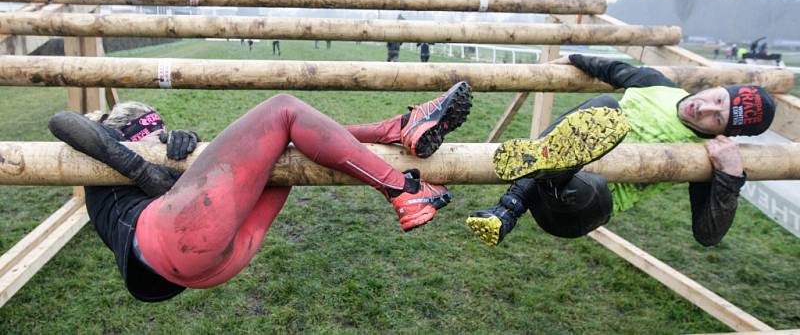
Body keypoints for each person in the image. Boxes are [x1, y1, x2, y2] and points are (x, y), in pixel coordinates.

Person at [47, 81, 473, 302]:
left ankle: (395, 129)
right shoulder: (102, 147)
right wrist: (141, 167)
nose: (156, 141)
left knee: (280, 150)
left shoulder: (137, 181)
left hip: (206, 262)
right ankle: (403, 189)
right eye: (150, 135)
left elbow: (213, 183)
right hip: (173, 241)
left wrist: (184, 146)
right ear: (122, 133)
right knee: (282, 109)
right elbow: (62, 121)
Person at [466, 54, 776, 247]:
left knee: (589, 181)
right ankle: (507, 210)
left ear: (723, 132)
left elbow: (708, 235)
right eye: (718, 98)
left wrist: (729, 178)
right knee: (606, 106)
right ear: (720, 88)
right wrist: (566, 62)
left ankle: (528, 189)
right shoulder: (658, 86)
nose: (705, 107)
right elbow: (607, 67)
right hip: (544, 188)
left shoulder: (705, 152)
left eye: (717, 117)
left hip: (578, 210)